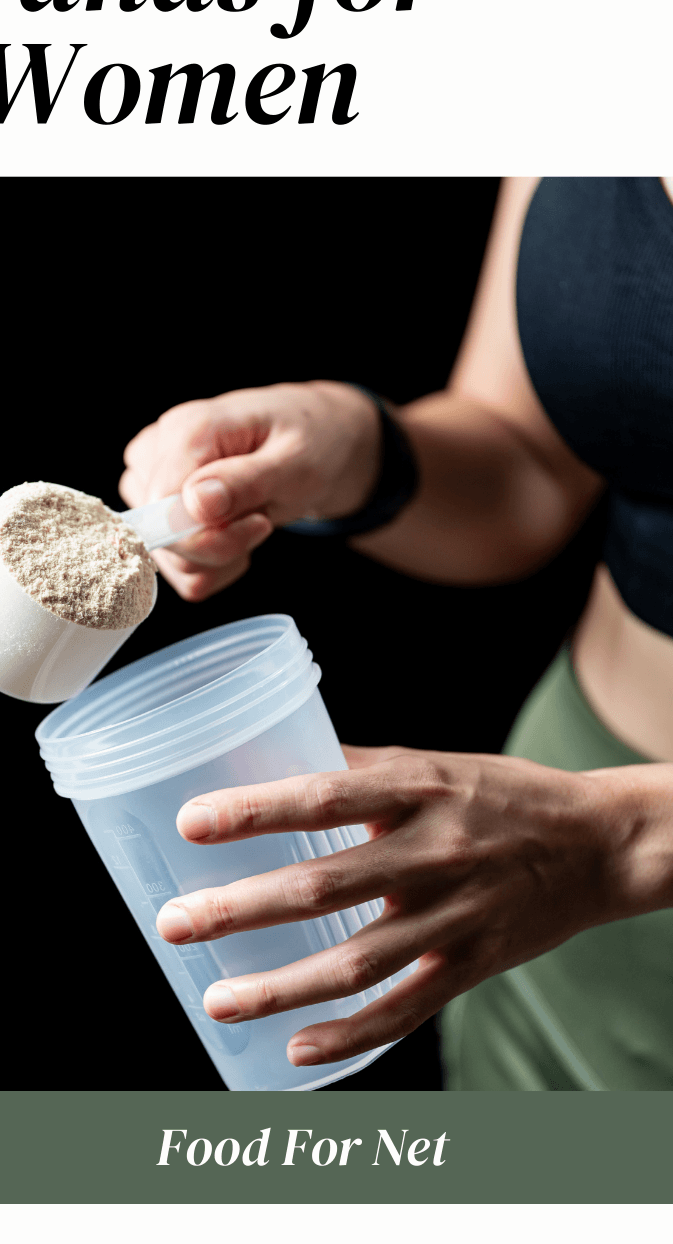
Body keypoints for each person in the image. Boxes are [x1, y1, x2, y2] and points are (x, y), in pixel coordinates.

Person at [118, 177, 673, 1091]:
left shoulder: (590, 850)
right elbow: (528, 464)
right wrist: (358, 451)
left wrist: (623, 843)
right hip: (549, 854)